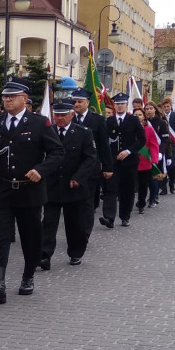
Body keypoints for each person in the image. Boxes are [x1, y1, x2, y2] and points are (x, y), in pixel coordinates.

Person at [0, 80, 63, 301]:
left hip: (29, 191)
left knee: (30, 237)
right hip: (2, 190)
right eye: (5, 96)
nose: (7, 100)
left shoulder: (39, 123)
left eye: (12, 96)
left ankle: (28, 276)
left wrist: (41, 170)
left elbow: (57, 152)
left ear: (24, 99)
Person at [40, 98, 97, 268]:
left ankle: (76, 252)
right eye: (57, 115)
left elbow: (90, 159)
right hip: (52, 185)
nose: (60, 118)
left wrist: (79, 177)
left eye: (63, 115)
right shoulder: (47, 132)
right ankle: (44, 255)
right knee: (48, 222)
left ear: (72, 114)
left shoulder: (83, 133)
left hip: (74, 186)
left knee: (76, 224)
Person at [71, 89, 113, 239]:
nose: (76, 104)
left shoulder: (98, 120)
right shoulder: (68, 118)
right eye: (74, 101)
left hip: (91, 167)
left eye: (80, 101)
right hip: (71, 168)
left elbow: (104, 145)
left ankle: (85, 233)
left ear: (87, 103)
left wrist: (107, 167)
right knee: (73, 203)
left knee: (88, 202)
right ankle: (74, 230)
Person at [99, 92, 144, 228]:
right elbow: (104, 142)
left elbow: (142, 139)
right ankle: (109, 217)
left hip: (130, 161)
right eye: (117, 104)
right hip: (113, 161)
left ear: (126, 105)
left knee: (127, 190)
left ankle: (125, 216)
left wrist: (128, 151)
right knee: (111, 189)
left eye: (122, 104)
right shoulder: (109, 121)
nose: (119, 106)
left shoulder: (133, 120)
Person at [134, 108, 161, 214]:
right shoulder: (129, 128)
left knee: (143, 185)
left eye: (140, 115)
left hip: (144, 161)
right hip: (131, 160)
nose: (137, 117)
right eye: (135, 115)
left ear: (144, 117)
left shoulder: (149, 129)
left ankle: (141, 203)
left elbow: (153, 145)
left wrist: (154, 159)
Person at [160, 97, 175, 194]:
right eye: (165, 106)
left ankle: (171, 183)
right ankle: (164, 188)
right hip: (164, 145)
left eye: (168, 106)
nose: (166, 108)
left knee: (173, 166)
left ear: (171, 106)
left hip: (174, 145)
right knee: (164, 166)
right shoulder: (160, 116)